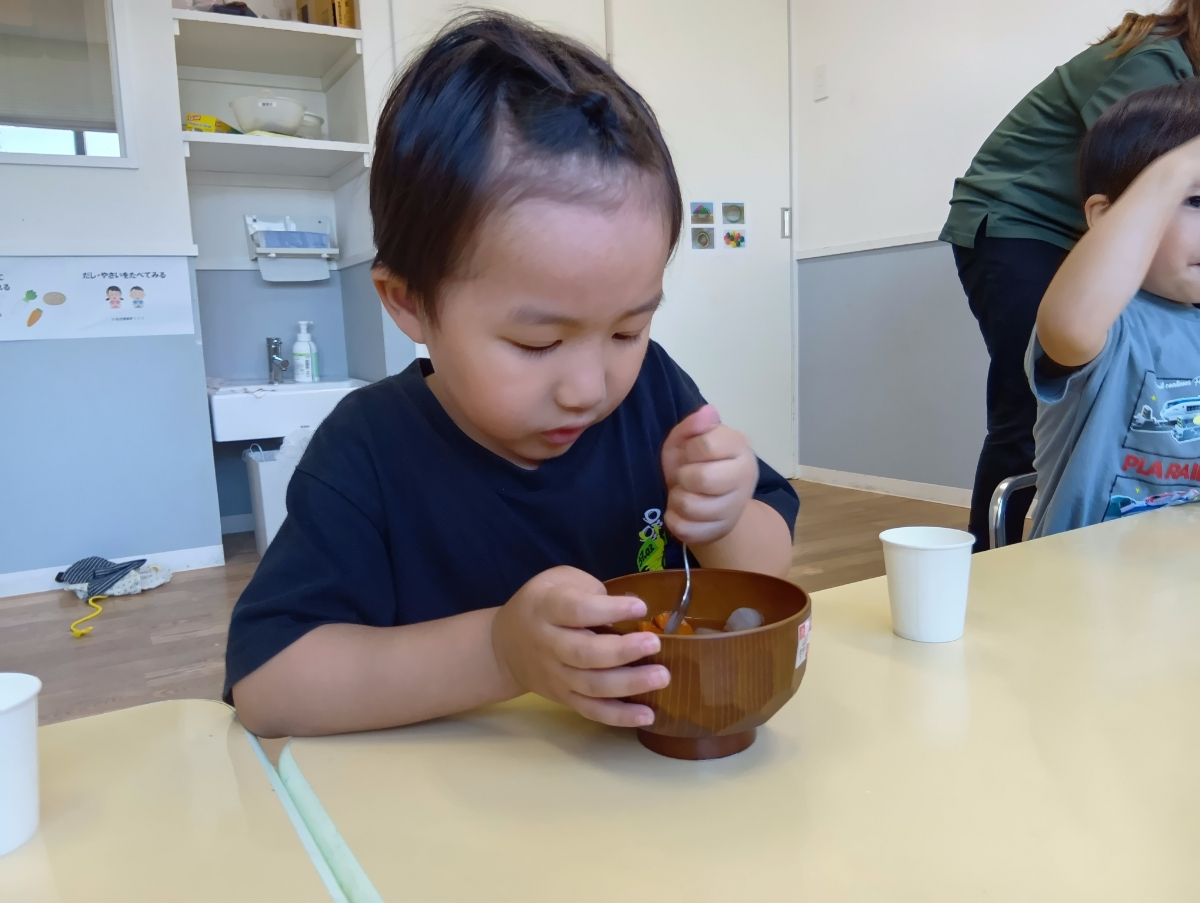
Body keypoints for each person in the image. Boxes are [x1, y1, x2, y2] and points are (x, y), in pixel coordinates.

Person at [224, 13, 799, 738]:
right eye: (538, 342)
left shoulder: (652, 390)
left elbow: (768, 574)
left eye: (628, 329)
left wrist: (727, 518)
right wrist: (500, 652)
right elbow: (268, 686)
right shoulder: (367, 449)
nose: (589, 388)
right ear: (410, 302)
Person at [940, 2, 1199, 551]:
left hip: (1166, 572)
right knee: (1028, 407)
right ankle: (996, 566)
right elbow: (1139, 184)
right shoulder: (1152, 63)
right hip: (1019, 222)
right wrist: (1177, 170)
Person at [1025, 79, 1200, 538]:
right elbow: (1071, 324)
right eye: (1196, 200)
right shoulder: (1112, 321)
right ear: (1105, 218)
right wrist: (1177, 168)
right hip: (1079, 573)